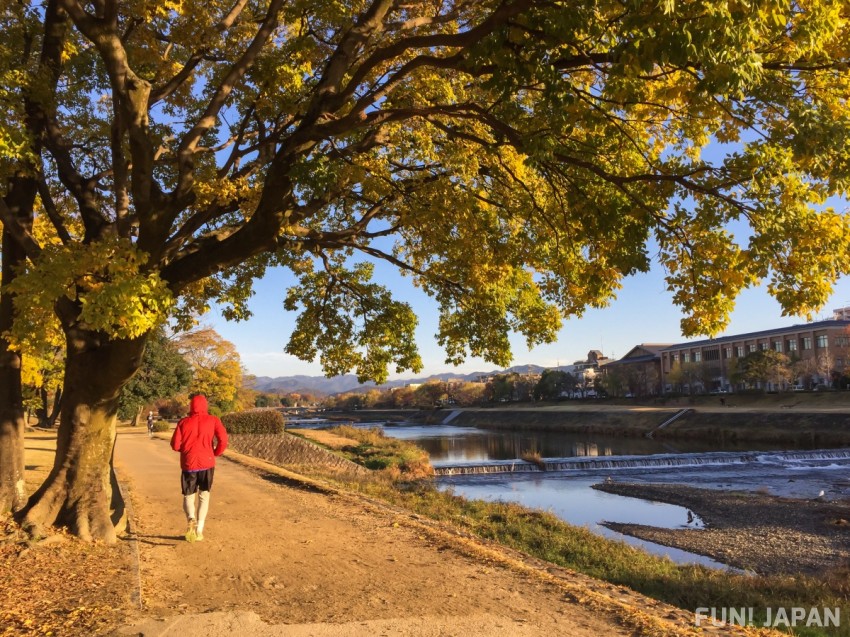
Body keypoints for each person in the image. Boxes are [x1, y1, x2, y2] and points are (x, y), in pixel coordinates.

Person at [170, 394, 228, 542]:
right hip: (207, 463)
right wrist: (216, 452)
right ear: (205, 406)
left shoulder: (183, 422)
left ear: (191, 406)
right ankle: (199, 530)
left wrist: (185, 450)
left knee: (189, 495)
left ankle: (191, 518)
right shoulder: (213, 420)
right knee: (204, 496)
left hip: (189, 464)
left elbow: (175, 445)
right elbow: (223, 439)